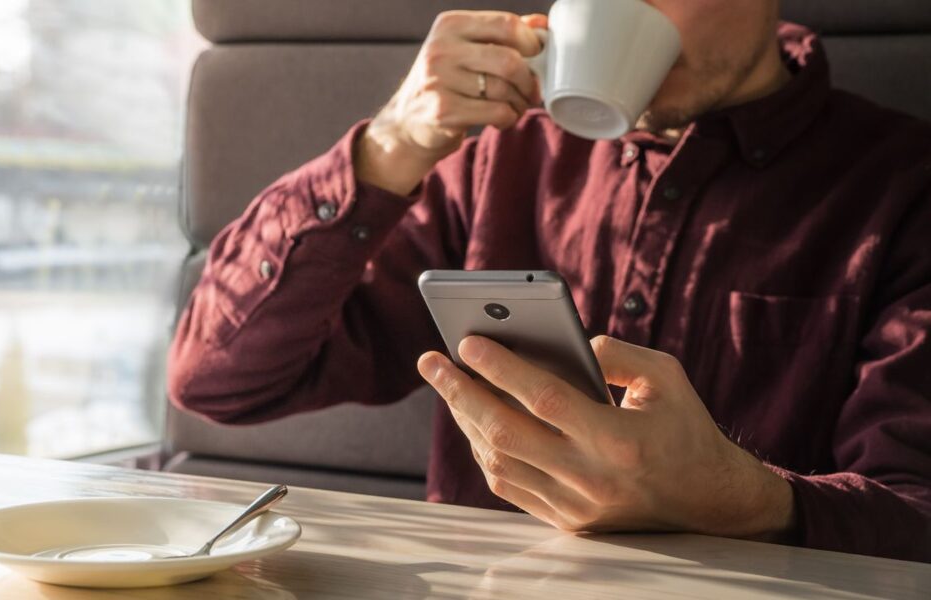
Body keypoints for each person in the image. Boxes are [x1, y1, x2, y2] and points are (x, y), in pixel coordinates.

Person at [168, 0, 931, 562]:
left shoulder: (900, 185)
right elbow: (219, 380)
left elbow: (916, 511)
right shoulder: (498, 155)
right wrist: (389, 144)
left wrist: (746, 501)